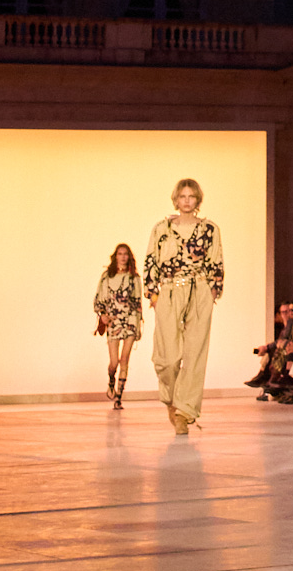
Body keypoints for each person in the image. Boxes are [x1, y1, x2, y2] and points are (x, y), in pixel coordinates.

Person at [144, 177, 223, 435]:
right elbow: (150, 261)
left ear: (197, 199)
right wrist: (153, 294)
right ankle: (171, 397)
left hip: (199, 289)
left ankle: (185, 411)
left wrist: (213, 291)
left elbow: (216, 261)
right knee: (167, 358)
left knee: (195, 354)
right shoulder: (162, 228)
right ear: (175, 199)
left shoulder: (210, 229)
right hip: (168, 289)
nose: (186, 201)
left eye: (191, 196)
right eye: (182, 196)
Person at [93, 243, 142, 409]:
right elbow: (99, 299)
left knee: (125, 359)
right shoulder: (107, 277)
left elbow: (137, 302)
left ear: (129, 256)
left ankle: (119, 397)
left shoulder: (134, 277)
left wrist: (138, 325)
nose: (123, 257)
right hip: (114, 321)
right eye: (120, 254)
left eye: (125, 254)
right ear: (116, 256)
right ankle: (111, 380)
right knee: (114, 361)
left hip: (130, 319)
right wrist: (102, 315)